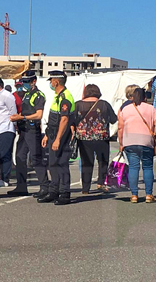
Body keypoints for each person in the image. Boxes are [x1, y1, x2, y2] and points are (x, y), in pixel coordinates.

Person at [117, 87, 156, 203]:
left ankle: (134, 195)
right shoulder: (150, 108)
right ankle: (148, 194)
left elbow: (120, 127)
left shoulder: (125, 109)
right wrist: (154, 134)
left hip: (129, 141)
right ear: (144, 97)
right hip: (146, 140)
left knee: (133, 167)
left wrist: (121, 143)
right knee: (147, 167)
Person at [74, 84, 118, 196]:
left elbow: (72, 121)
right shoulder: (104, 104)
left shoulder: (78, 105)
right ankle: (101, 183)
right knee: (103, 161)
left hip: (83, 138)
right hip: (101, 137)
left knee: (86, 162)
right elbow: (113, 120)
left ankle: (85, 188)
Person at [7, 72, 46, 197]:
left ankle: (44, 186)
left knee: (36, 159)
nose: (24, 84)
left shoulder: (38, 95)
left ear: (33, 81)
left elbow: (38, 115)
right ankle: (21, 186)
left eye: (27, 81)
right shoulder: (26, 95)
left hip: (32, 130)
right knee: (20, 157)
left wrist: (22, 117)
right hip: (23, 130)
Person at [40, 71, 75, 205]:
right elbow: (53, 120)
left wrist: (58, 139)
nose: (50, 83)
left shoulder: (65, 97)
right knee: (52, 163)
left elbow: (64, 120)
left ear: (57, 81)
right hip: (53, 134)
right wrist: (48, 135)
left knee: (62, 164)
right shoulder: (57, 96)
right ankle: (54, 191)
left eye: (51, 80)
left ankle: (64, 193)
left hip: (62, 135)